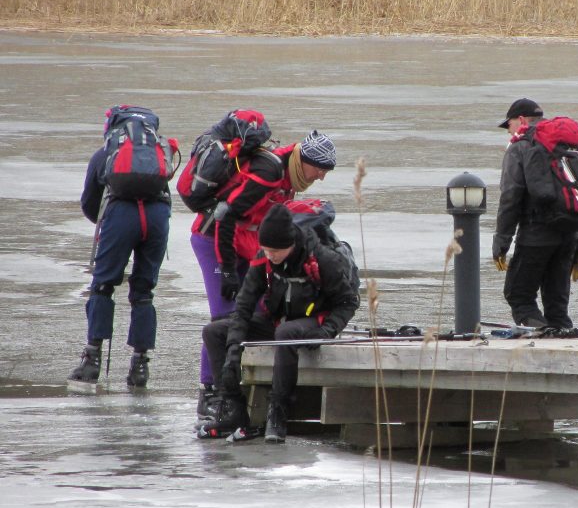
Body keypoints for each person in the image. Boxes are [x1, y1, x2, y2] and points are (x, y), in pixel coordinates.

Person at [191, 129, 337, 418]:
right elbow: (226, 216)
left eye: (326, 171)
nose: (321, 176)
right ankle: (209, 392)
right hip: (215, 241)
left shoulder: (290, 176)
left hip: (247, 244)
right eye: (319, 169)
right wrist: (229, 269)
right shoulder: (270, 172)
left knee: (259, 313)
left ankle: (246, 381)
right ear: (303, 159)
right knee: (224, 318)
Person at [199, 204, 360, 443]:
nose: (270, 255)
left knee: (286, 333)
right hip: (277, 318)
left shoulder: (323, 259)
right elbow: (243, 307)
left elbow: (348, 302)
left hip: (313, 321)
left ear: (291, 244)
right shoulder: (264, 258)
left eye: (276, 251)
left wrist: (327, 330)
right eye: (266, 249)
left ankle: (278, 410)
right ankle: (232, 408)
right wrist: (233, 354)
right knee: (214, 331)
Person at [69, 111, 173, 388]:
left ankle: (91, 361)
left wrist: (107, 225)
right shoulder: (159, 151)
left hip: (121, 218)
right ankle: (140, 367)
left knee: (103, 285)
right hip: (157, 218)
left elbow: (89, 202)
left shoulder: (105, 154)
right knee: (143, 292)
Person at [492, 98, 578, 336]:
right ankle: (565, 340)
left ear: (522, 120)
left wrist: (501, 243)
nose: (509, 131)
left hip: (536, 234)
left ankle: (542, 336)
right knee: (557, 304)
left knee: (518, 295)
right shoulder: (567, 144)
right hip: (570, 233)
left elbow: (510, 197)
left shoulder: (520, 146)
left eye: (510, 125)